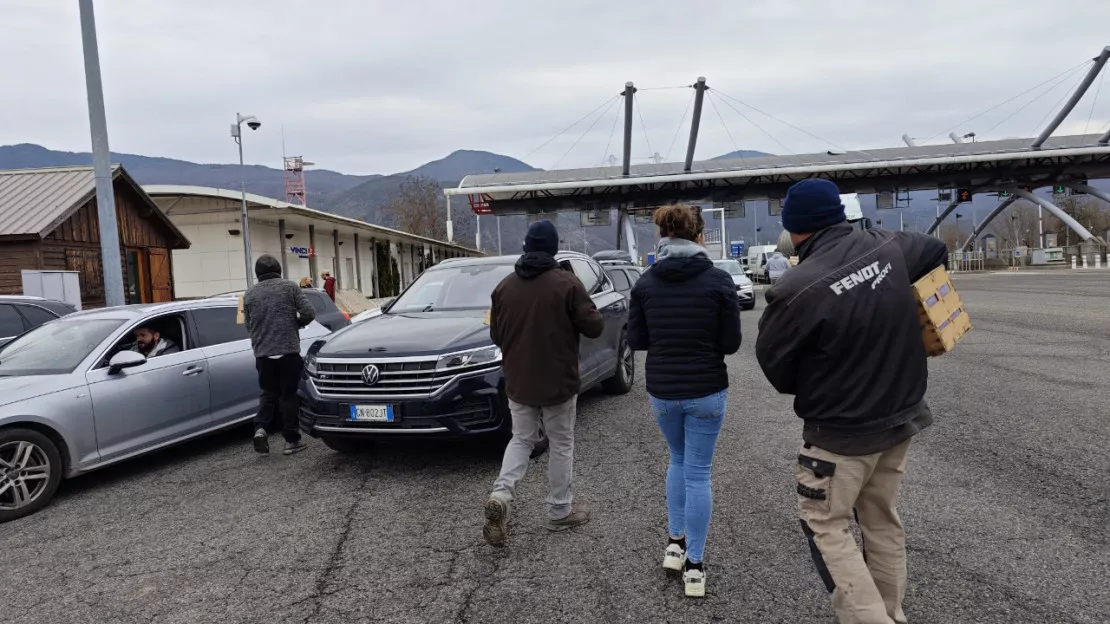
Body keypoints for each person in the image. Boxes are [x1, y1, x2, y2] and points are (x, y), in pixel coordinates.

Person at [755, 179, 948, 624]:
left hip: (840, 434)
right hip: (901, 416)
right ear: (837, 214)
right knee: (880, 517)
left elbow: (776, 368)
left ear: (794, 228)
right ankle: (891, 612)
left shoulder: (797, 288)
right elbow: (935, 249)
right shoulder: (891, 246)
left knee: (826, 523)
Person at [627, 204, 741, 598]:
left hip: (662, 390)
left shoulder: (645, 284)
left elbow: (637, 341)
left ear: (661, 237)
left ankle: (675, 543)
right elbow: (731, 343)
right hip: (706, 389)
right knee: (698, 473)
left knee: (677, 461)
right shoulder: (719, 281)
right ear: (700, 237)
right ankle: (695, 566)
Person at [482, 220, 604, 546]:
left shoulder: (504, 287)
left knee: (521, 439)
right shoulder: (567, 283)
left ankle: (501, 495)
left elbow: (496, 334)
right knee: (560, 444)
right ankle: (559, 511)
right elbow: (594, 327)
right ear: (553, 249)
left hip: (519, 381)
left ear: (524, 248)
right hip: (558, 381)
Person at [245, 254, 317, 456]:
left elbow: (248, 325)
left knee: (268, 393)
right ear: (279, 270)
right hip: (288, 351)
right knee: (288, 396)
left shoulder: (249, 293)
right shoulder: (290, 287)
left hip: (263, 354)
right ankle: (291, 441)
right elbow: (309, 312)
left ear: (257, 274)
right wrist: (296, 324)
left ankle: (260, 428)